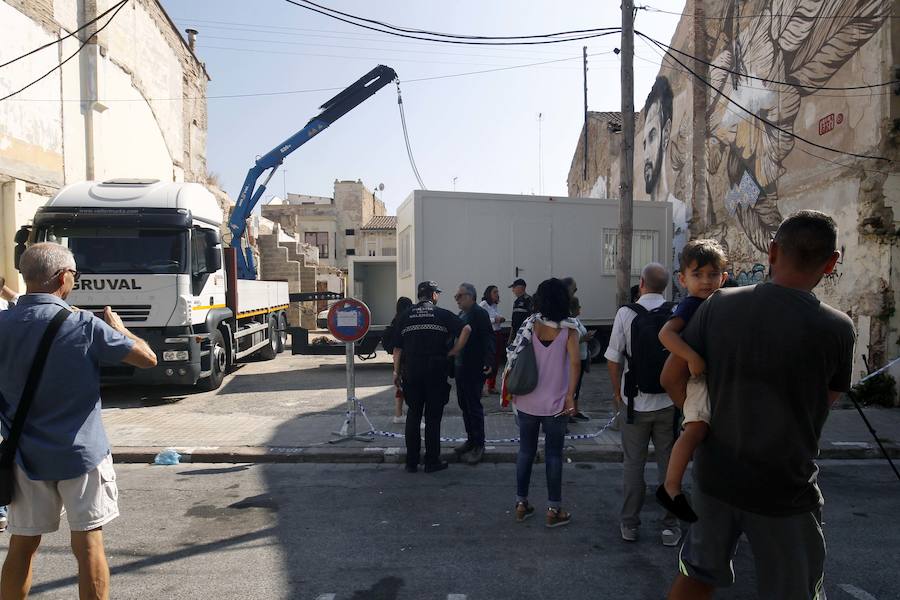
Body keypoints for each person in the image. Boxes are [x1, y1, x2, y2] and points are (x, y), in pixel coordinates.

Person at [663, 211, 855, 600]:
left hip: (716, 476)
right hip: (784, 486)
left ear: (771, 251)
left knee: (698, 574)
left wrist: (702, 421)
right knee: (793, 590)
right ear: (832, 262)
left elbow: (671, 378)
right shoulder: (838, 328)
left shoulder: (718, 305)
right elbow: (825, 402)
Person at [0, 242, 157, 600]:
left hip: (23, 457)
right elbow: (147, 359)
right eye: (74, 273)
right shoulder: (83, 324)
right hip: (81, 455)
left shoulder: (2, 324)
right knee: (88, 546)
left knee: (22, 546)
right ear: (62, 277)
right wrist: (120, 329)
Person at [604, 262, 681, 546]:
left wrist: (617, 393)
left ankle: (630, 525)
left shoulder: (626, 313)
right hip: (668, 403)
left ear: (642, 284)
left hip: (634, 404)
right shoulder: (675, 312)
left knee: (633, 466)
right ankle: (670, 527)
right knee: (669, 466)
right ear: (666, 286)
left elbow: (614, 359)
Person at [655, 240, 728, 522]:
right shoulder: (691, 304)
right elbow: (666, 334)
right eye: (697, 275)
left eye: (712, 275)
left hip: (710, 383)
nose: (706, 281)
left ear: (723, 276)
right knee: (695, 429)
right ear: (683, 279)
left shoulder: (718, 303)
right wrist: (692, 357)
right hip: (698, 381)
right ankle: (670, 487)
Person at [508, 278, 581, 528]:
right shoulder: (569, 330)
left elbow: (514, 353)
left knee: (525, 452)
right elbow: (574, 364)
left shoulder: (530, 325)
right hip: (557, 404)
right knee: (553, 455)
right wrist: (571, 396)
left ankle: (521, 504)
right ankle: (554, 509)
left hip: (527, 400)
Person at [392, 281, 470, 473]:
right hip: (436, 371)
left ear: (419, 295)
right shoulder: (442, 314)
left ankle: (411, 462)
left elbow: (397, 348)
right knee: (433, 418)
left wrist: (396, 372)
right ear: (433, 295)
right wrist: (454, 350)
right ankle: (432, 461)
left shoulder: (405, 315)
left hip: (412, 372)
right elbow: (466, 329)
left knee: (413, 415)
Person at [453, 283, 495, 465]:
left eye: (459, 295)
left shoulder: (479, 313)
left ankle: (479, 445)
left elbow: (488, 338)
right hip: (461, 368)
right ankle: (471, 440)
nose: (457, 299)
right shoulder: (462, 314)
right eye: (456, 296)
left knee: (474, 407)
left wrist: (489, 361)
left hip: (473, 367)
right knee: (464, 406)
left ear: (471, 296)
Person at [383, 296, 413, 424]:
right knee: (411, 388)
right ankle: (408, 415)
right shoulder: (406, 321)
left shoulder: (395, 320)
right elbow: (398, 347)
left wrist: (395, 369)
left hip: (398, 359)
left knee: (400, 388)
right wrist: (396, 370)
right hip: (406, 360)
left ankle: (398, 414)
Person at [569, 296, 593, 423]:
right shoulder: (570, 322)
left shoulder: (577, 321)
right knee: (573, 385)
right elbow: (571, 340)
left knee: (577, 387)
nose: (580, 309)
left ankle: (575, 410)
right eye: (578, 307)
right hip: (576, 356)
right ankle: (569, 412)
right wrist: (584, 338)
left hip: (582, 356)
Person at [479, 285, 506, 395]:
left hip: (498, 333)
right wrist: (495, 319)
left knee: (496, 360)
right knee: (488, 361)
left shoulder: (494, 305)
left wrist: (501, 318)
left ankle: (491, 386)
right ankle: (480, 386)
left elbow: (496, 316)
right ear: (488, 293)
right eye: (494, 292)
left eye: (497, 291)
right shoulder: (483, 305)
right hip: (489, 335)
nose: (497, 294)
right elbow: (480, 319)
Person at [507, 278, 534, 344]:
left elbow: (533, 318)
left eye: (514, 288)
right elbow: (514, 322)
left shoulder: (529, 300)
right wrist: (510, 338)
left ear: (520, 287)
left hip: (526, 335)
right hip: (517, 335)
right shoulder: (516, 302)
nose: (513, 290)